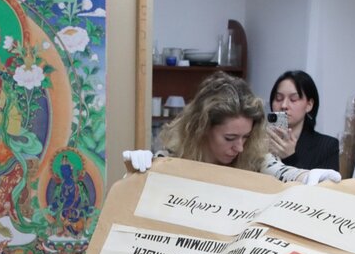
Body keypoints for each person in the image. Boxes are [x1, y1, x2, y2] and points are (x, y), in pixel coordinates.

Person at [123, 72, 340, 185]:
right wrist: (137, 173)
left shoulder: (253, 156)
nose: (240, 147)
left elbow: (281, 171)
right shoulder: (174, 157)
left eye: (245, 137)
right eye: (230, 138)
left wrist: (308, 177)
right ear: (202, 129)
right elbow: (140, 189)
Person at [266, 70, 340, 172]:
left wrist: (290, 157)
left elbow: (322, 182)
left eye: (293, 99)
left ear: (309, 105)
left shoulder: (327, 146)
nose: (284, 105)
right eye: (278, 98)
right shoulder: (257, 139)